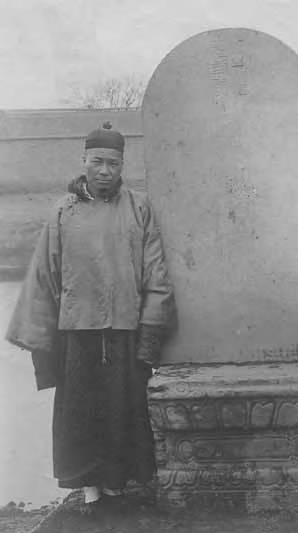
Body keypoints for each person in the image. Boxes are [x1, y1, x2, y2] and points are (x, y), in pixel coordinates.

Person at [6, 123, 176, 512]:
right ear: (84, 162)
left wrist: (149, 334)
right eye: (97, 161)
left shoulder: (139, 208)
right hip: (77, 334)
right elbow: (44, 277)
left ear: (122, 166)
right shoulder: (62, 212)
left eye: (113, 163)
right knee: (79, 416)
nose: (104, 170)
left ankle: (117, 484)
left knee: (122, 412)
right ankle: (90, 489)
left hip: (123, 332)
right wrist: (40, 343)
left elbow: (156, 275)